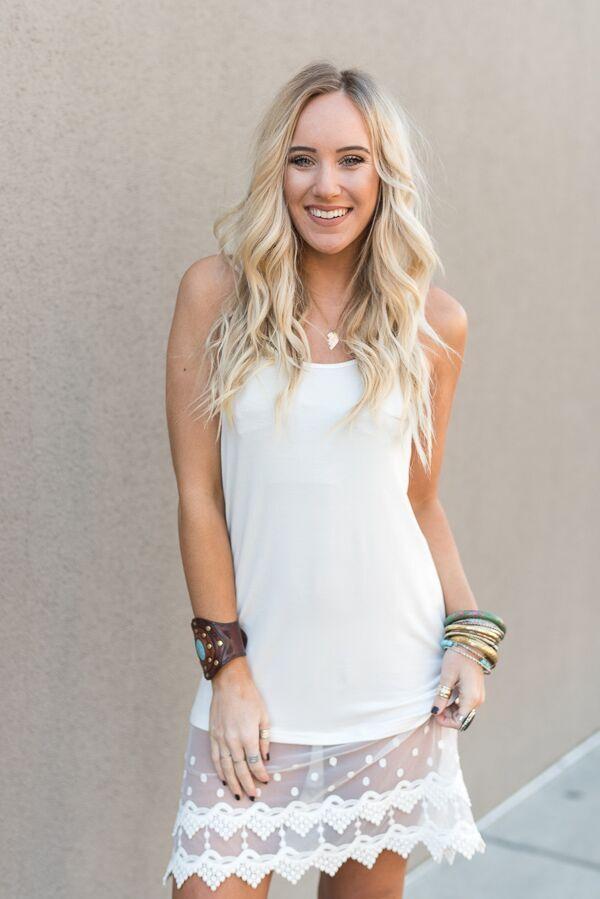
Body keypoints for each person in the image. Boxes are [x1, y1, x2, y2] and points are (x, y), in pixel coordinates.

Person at [162, 61, 506, 897]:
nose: (327, 185)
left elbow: (419, 500)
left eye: (353, 159)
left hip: (390, 693)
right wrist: (225, 669)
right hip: (256, 691)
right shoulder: (216, 296)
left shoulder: (434, 323)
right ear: (275, 170)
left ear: (384, 175)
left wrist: (470, 636)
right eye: (302, 159)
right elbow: (198, 496)